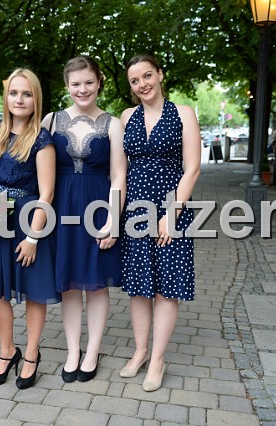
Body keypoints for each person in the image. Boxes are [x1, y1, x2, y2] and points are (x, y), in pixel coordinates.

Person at [41, 56, 127, 383]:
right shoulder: (51, 121)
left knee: (96, 283)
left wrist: (113, 220)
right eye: (75, 84)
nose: (82, 89)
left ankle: (92, 351)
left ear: (99, 82)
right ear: (67, 86)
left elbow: (118, 176)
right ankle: (72, 350)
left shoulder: (113, 123)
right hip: (60, 208)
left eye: (89, 82)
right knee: (69, 284)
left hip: (98, 208)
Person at [120, 55, 201, 392]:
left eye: (147, 75)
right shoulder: (127, 117)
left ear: (160, 75)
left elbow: (192, 168)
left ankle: (157, 359)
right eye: (135, 80)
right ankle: (140, 351)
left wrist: (171, 214)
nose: (143, 84)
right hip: (135, 210)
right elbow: (120, 169)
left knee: (167, 286)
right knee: (139, 286)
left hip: (172, 207)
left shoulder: (183, 113)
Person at [0, 68, 58, 390]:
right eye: (14, 93)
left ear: (35, 99)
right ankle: (7, 350)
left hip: (30, 219)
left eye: (27, 94)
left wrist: (32, 238)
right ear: (6, 96)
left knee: (33, 289)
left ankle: (31, 353)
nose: (19, 99)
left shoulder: (41, 139)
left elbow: (47, 193)